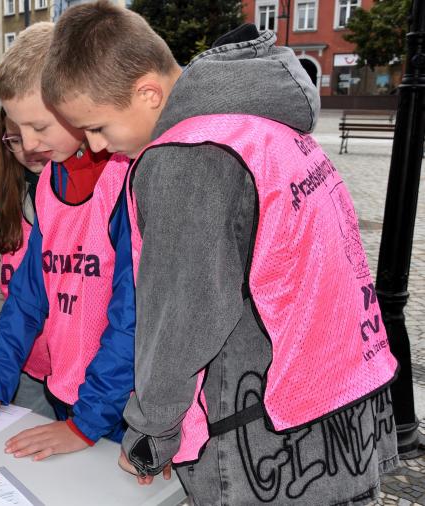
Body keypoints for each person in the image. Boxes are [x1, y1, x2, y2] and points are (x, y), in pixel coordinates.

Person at [43, 3, 398, 503]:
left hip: (261, 437)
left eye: (98, 127)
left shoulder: (186, 157)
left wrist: (151, 436)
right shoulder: (261, 126)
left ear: (148, 92)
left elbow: (179, 319)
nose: (98, 147)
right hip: (337, 408)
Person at [0, 22, 135, 462]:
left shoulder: (126, 182)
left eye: (39, 125)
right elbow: (26, 298)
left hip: (121, 412)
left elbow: (134, 320)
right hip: (73, 400)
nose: (27, 144)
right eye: (16, 129)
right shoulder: (50, 183)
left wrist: (86, 423)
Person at [0, 108, 53, 418]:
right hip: (23, 365)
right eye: (15, 140)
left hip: (85, 373)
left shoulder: (89, 196)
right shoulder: (2, 200)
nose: (29, 149)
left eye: (39, 132)